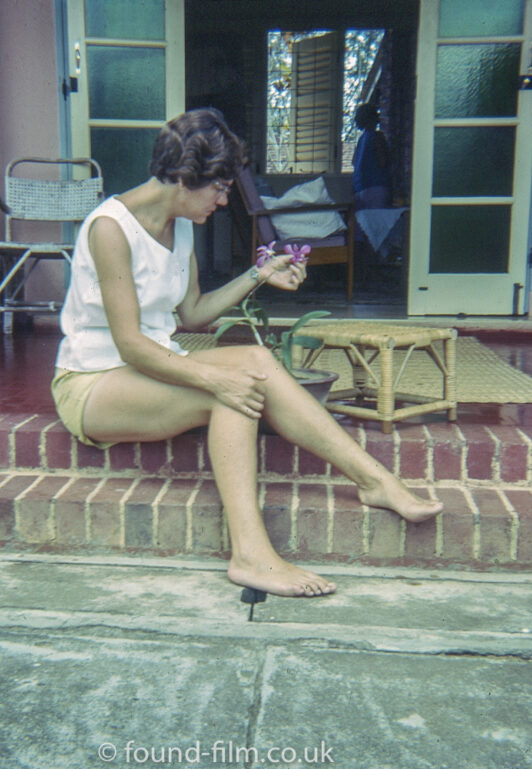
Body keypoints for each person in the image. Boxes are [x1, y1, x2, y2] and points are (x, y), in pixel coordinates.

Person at [52, 108, 441, 599]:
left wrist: (259, 274)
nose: (223, 199)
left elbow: (191, 314)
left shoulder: (181, 224)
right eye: (216, 188)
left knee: (256, 363)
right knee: (231, 393)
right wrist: (215, 381)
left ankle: (374, 480)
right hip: (94, 380)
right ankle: (251, 554)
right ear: (180, 177)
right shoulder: (110, 228)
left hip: (149, 367)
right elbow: (130, 345)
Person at [352, 102, 392, 211]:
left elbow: (354, 162)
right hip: (376, 188)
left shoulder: (361, 139)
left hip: (359, 188)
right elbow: (382, 161)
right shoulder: (377, 137)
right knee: (378, 223)